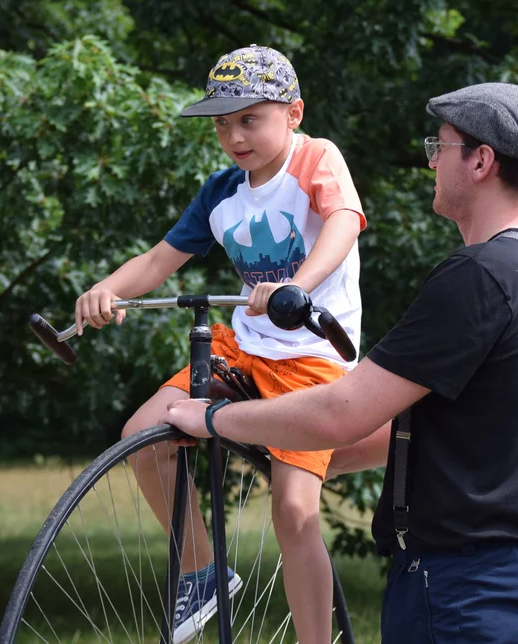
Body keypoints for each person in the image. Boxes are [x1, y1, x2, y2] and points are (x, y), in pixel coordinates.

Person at [163, 82, 518, 643]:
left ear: (481, 161)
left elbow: (344, 411)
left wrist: (213, 421)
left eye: (442, 147)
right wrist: (292, 452)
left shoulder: (479, 277)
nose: (431, 160)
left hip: (472, 591)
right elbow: (438, 428)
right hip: (512, 572)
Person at [74, 44, 367, 644]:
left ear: (293, 113)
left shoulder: (315, 159)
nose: (235, 135)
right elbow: (160, 259)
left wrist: (296, 286)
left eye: (249, 119)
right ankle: (203, 570)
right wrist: (105, 290)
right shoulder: (221, 192)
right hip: (245, 351)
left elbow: (343, 221)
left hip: (312, 360)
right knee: (142, 438)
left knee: (292, 511)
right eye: (222, 124)